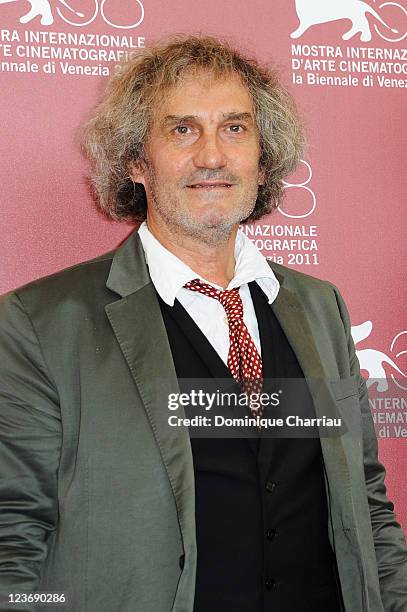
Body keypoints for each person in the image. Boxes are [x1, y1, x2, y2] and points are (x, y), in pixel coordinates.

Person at [0, 34, 406, 612]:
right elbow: (12, 539)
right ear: (136, 161)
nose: (212, 156)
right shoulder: (41, 324)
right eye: (182, 129)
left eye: (235, 129)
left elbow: (366, 506)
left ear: (263, 159)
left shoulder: (320, 308)